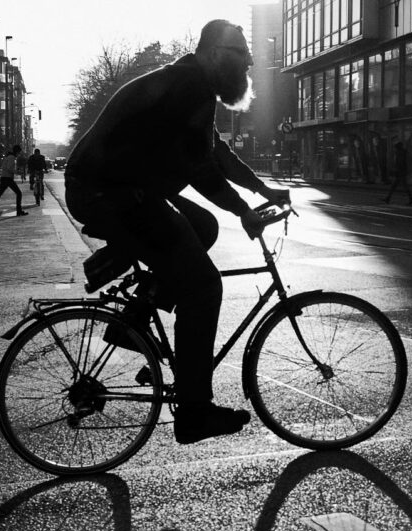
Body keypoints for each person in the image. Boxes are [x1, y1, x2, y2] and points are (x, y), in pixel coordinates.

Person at [65, 19, 289, 445]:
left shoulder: (193, 85)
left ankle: (135, 318)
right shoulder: (189, 86)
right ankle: (195, 412)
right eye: (242, 55)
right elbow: (202, 170)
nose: (248, 64)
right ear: (213, 54)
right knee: (203, 286)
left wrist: (262, 189)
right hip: (107, 193)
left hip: (121, 190)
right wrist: (244, 211)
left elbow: (214, 153)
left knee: (201, 226)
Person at [0, 145, 28, 217]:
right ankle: (19, 211)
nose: (19, 154)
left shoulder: (9, 156)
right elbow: (9, 168)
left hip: (5, 178)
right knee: (19, 193)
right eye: (19, 152)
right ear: (17, 151)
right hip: (7, 178)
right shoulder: (12, 157)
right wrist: (17, 172)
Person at [382, 141, 412, 205]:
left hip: (401, 172)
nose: (394, 149)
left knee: (403, 187)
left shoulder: (400, 153)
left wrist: (396, 170)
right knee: (395, 186)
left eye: (395, 148)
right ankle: (388, 198)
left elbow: (400, 163)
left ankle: (411, 200)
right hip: (401, 172)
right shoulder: (403, 152)